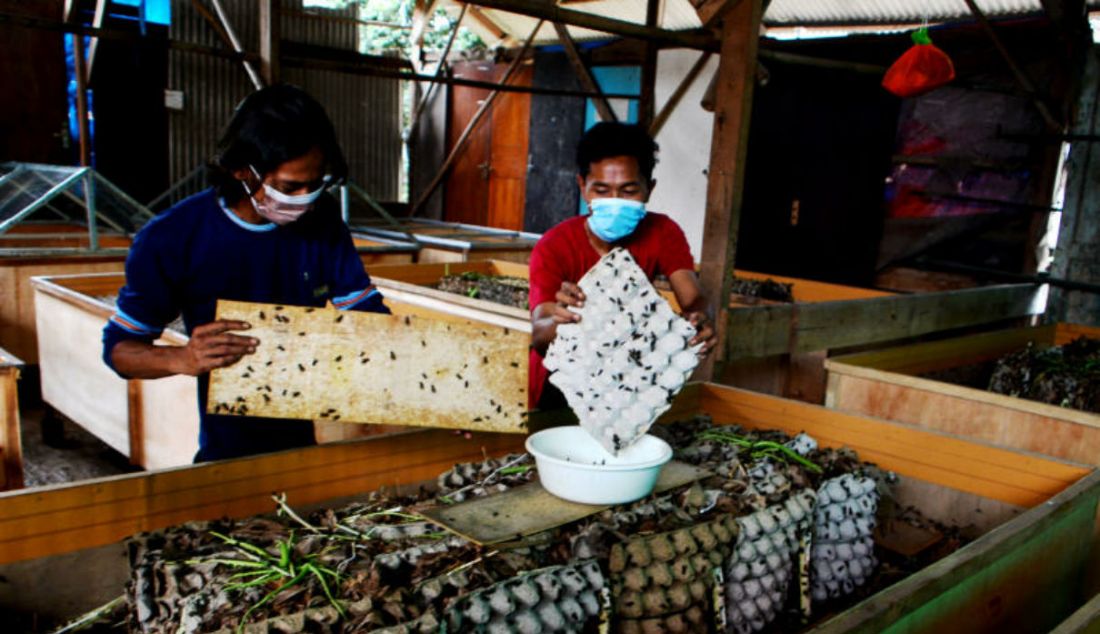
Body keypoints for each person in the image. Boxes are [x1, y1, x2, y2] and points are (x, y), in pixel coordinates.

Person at [102, 84, 389, 462]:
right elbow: (120, 351)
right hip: (227, 449)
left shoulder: (323, 218)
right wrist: (183, 359)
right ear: (241, 170)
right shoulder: (172, 238)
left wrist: (445, 389)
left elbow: (367, 312)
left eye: (315, 184)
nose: (305, 197)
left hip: (300, 439)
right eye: (291, 186)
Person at [528, 122, 718, 409]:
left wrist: (702, 318)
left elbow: (693, 299)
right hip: (561, 384)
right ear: (582, 186)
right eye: (601, 190)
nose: (614, 202)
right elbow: (540, 335)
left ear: (649, 188)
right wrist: (561, 320)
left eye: (629, 191)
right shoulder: (555, 245)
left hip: (624, 380)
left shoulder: (662, 232)